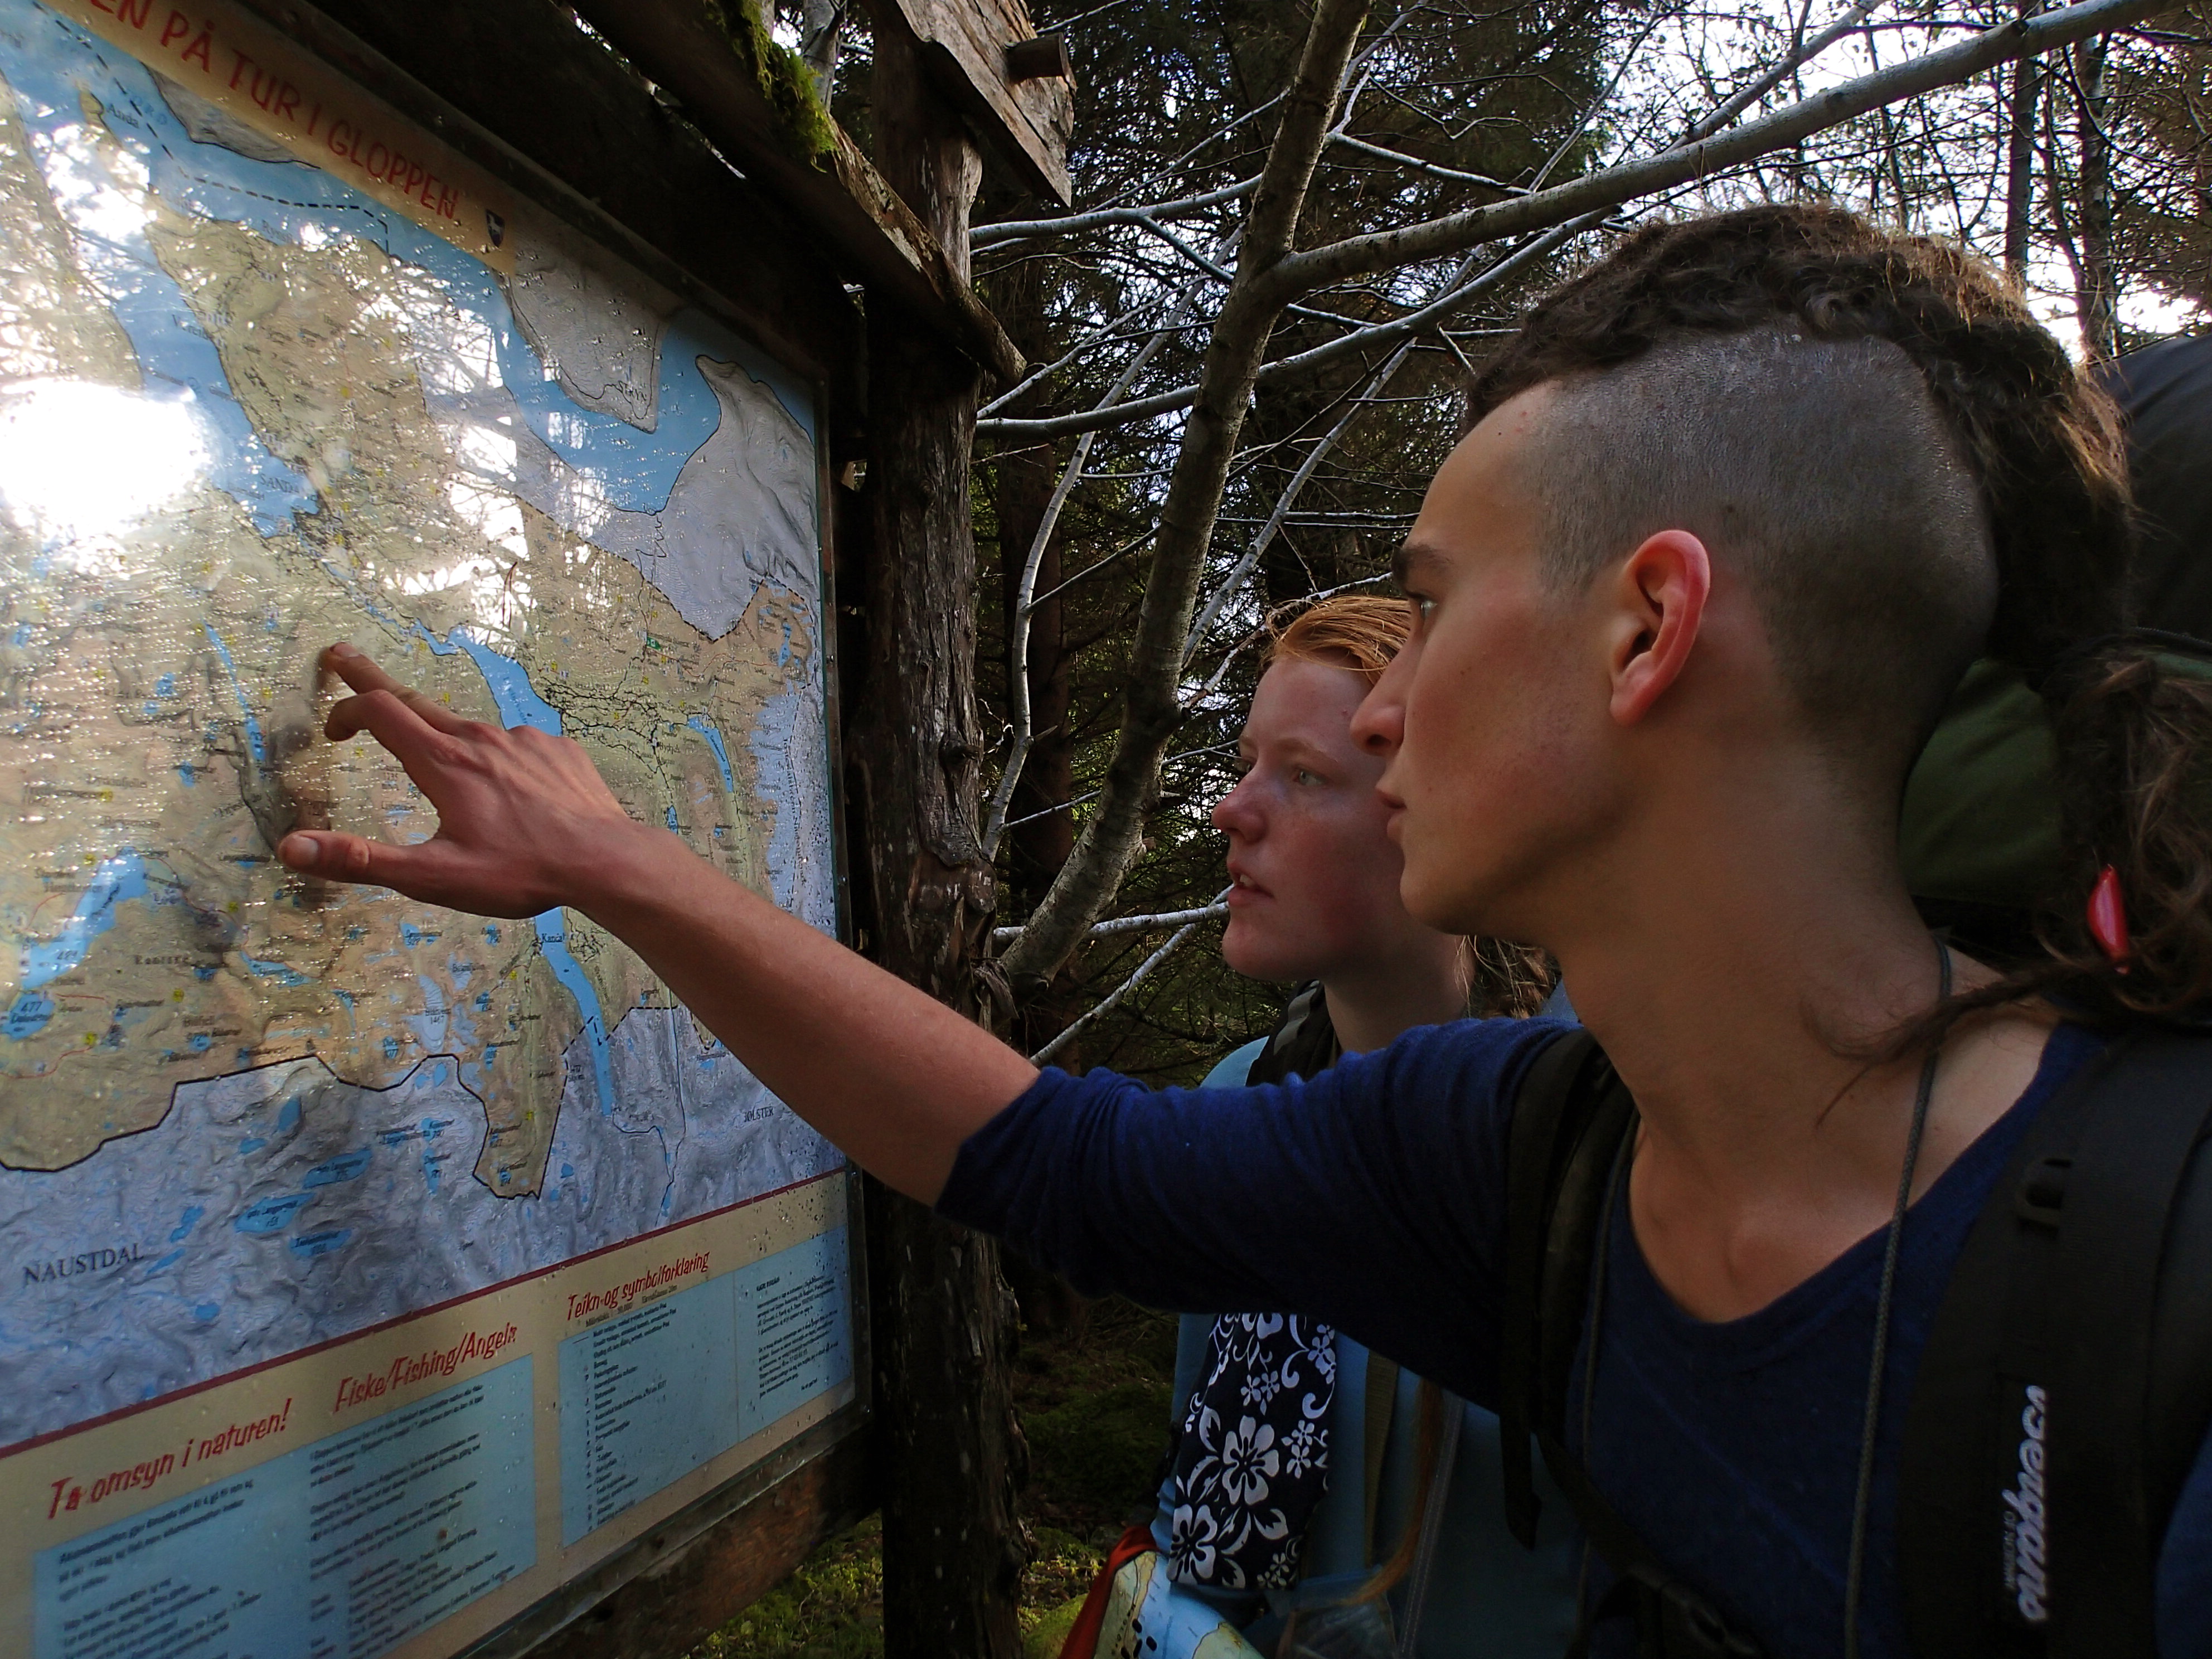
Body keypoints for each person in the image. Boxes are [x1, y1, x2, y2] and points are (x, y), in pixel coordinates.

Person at [274, 204, 2212, 1657]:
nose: (1386, 708)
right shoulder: (1523, 1158)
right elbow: (1059, 1159)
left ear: (1646, 629)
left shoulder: (2163, 1297)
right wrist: (618, 865)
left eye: (1432, 604)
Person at [1083, 595, 1573, 1658]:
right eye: (1247, 763)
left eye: (1302, 776)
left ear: (1442, 808)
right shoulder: (1242, 1098)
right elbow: (1191, 1506)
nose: (1232, 810)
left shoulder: (1581, 1134)